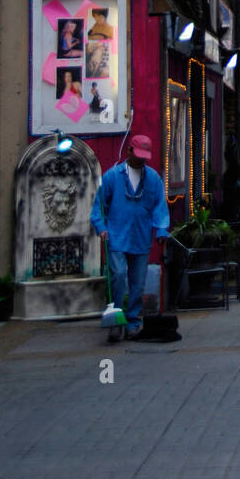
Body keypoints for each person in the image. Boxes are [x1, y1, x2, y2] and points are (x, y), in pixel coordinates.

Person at [90, 133, 170, 342]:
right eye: (138, 155)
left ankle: (133, 320)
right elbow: (99, 205)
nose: (142, 160)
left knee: (138, 282)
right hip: (116, 234)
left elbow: (159, 208)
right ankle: (116, 320)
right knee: (117, 275)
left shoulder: (153, 179)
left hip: (140, 236)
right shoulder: (112, 176)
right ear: (129, 152)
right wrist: (101, 227)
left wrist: (161, 230)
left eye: (145, 156)